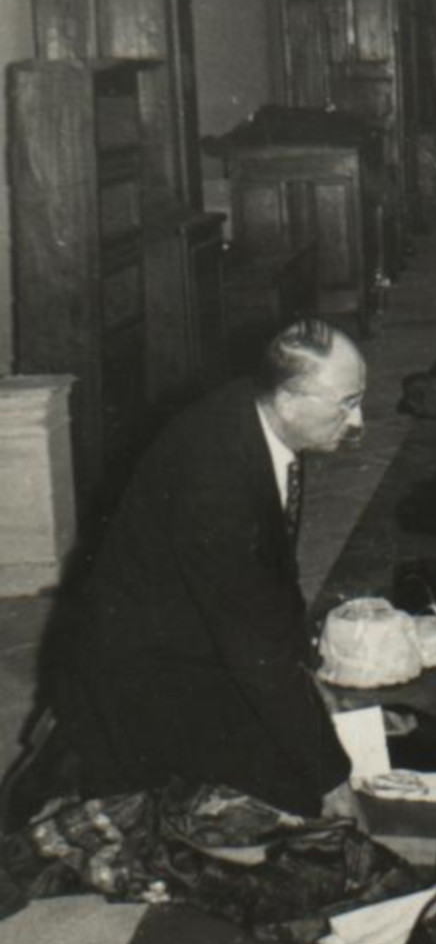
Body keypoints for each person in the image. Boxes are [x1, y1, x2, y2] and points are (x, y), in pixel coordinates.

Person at [15, 319, 366, 824]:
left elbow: (271, 581)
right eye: (347, 403)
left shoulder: (261, 414)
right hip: (138, 676)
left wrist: (303, 672)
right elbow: (252, 645)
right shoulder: (214, 481)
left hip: (193, 636)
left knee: (301, 735)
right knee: (294, 797)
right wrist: (332, 780)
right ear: (291, 397)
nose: (358, 423)